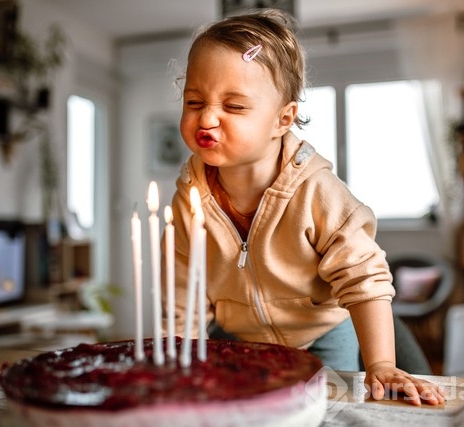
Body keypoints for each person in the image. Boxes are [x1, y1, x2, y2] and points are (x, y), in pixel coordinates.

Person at [165, 8, 445, 406]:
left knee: (328, 412)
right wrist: (182, 357)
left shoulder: (317, 191)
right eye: (194, 101)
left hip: (323, 339)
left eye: (235, 106)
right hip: (239, 342)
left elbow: (364, 277)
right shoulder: (188, 199)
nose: (207, 117)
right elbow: (182, 289)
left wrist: (381, 362)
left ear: (283, 119)